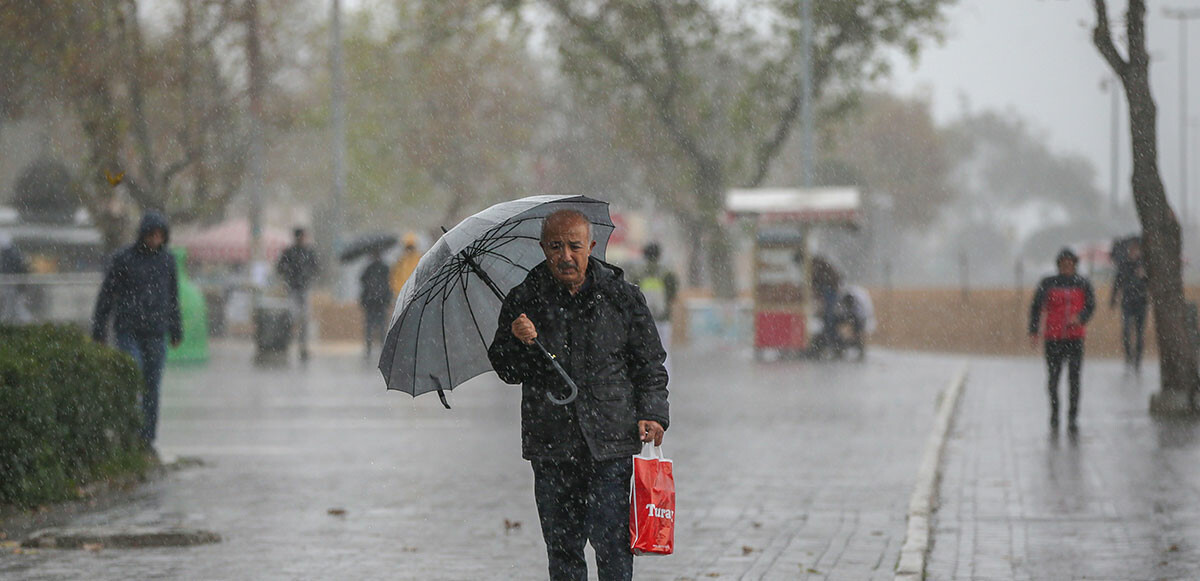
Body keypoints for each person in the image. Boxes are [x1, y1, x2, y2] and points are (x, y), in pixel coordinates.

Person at [487, 209, 669, 581]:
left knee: (613, 543)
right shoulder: (525, 300)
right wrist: (517, 341)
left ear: (592, 246)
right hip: (552, 445)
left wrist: (653, 412)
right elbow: (507, 369)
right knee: (563, 547)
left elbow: (649, 362)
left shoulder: (622, 297)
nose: (565, 256)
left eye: (574, 246)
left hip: (612, 443)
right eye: (555, 247)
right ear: (543, 248)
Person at [91, 211, 183, 446]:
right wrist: (99, 329)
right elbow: (106, 295)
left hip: (155, 331)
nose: (155, 240)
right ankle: (129, 432)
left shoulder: (167, 261)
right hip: (128, 329)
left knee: (152, 386)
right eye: (152, 234)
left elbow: (172, 297)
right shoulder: (123, 259)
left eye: (160, 235)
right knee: (133, 376)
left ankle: (147, 438)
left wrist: (175, 329)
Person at [1028, 248, 1095, 432]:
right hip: (1053, 338)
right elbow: (1036, 307)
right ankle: (1055, 414)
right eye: (1063, 264)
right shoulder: (1048, 283)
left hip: (1075, 338)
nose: (1066, 267)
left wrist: (1080, 318)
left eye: (1070, 263)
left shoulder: (1082, 283)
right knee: (1053, 379)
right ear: (1058, 265)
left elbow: (1091, 305)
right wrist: (1034, 331)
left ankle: (1073, 416)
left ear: (1074, 264)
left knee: (1074, 379)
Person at [276, 227, 320, 362]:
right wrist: (289, 272)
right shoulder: (290, 252)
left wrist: (307, 273)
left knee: (304, 319)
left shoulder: (308, 252)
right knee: (292, 317)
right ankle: (287, 343)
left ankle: (303, 347)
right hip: (293, 289)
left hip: (304, 289)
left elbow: (316, 267)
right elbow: (280, 267)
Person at [634, 242, 678, 373]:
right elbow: (672, 294)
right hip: (663, 318)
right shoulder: (667, 273)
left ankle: (649, 380)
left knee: (644, 351)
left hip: (644, 319)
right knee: (664, 349)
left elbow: (632, 294)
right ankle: (666, 381)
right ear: (659, 255)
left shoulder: (639, 273)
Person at [1111, 237, 1149, 371]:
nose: (1134, 252)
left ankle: (1138, 359)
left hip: (1141, 303)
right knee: (1126, 330)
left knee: (1139, 333)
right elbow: (1117, 283)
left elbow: (1151, 283)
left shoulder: (1144, 265)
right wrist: (1113, 299)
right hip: (1127, 302)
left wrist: (1144, 275)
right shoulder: (1124, 265)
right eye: (1132, 249)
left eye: (1136, 249)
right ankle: (1128, 356)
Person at [359, 248, 392, 361]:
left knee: (370, 325)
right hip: (381, 301)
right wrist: (387, 298)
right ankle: (383, 347)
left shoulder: (368, 269)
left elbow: (362, 281)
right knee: (382, 324)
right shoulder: (385, 268)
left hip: (371, 301)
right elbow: (389, 283)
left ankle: (369, 347)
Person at [0, 233, 32, 323]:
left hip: (13, 283)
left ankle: (8, 323)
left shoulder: (9, 254)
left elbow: (9, 269)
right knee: (15, 305)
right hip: (15, 283)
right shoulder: (14, 253)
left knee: (14, 305)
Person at [390, 232, 421, 297]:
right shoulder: (401, 260)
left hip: (415, 291)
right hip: (405, 292)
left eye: (411, 246)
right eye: (408, 246)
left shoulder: (419, 258)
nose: (410, 249)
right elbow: (395, 277)